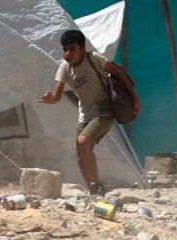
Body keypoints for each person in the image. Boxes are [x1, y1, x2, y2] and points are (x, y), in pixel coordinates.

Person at [38, 28, 138, 197]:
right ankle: (93, 189)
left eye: (72, 49)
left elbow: (119, 73)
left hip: (104, 110)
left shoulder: (94, 59)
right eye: (65, 49)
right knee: (80, 154)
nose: (68, 53)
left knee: (83, 141)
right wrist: (50, 99)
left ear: (82, 49)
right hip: (85, 113)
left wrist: (134, 98)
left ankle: (97, 184)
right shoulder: (64, 68)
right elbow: (57, 95)